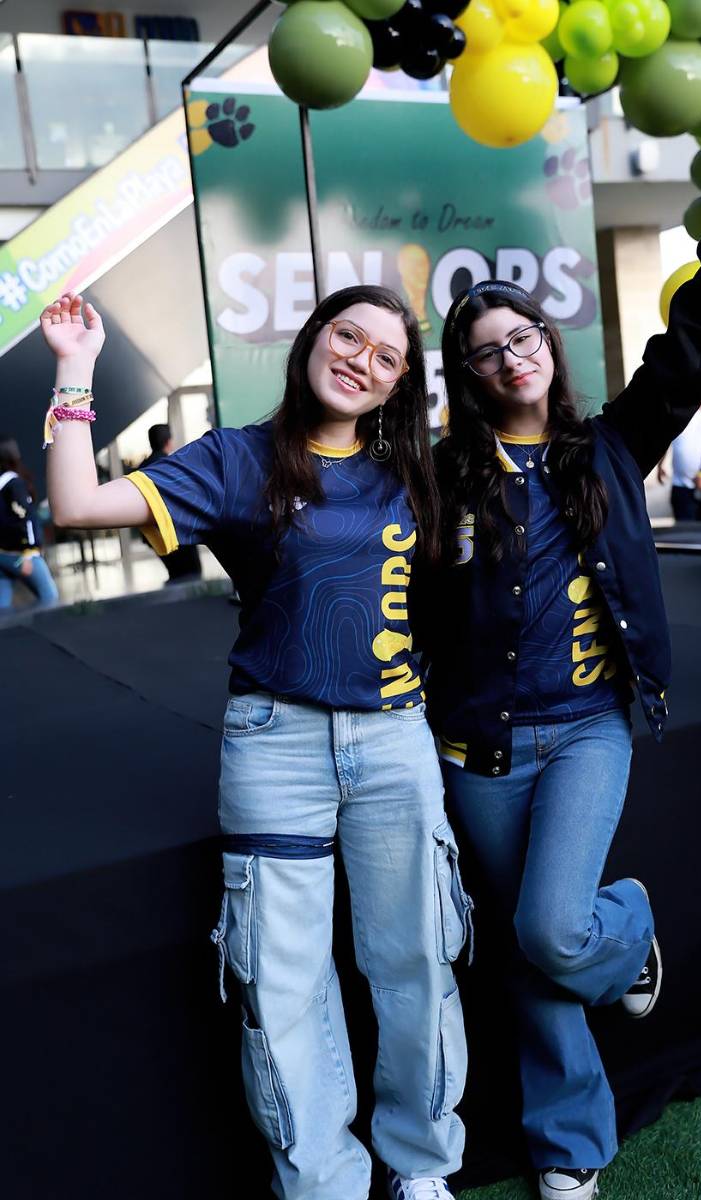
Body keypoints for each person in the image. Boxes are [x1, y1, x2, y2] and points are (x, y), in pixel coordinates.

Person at [39, 284, 471, 1200]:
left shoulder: (415, 474)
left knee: (416, 958)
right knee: (283, 984)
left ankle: (421, 1169)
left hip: (395, 742)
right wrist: (76, 369)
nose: (361, 359)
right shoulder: (237, 460)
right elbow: (75, 504)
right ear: (314, 339)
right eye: (347, 335)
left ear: (398, 385)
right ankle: (325, 1183)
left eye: (387, 356)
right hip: (276, 746)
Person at [415, 128, 701, 1200]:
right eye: (485, 347)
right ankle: (572, 1144)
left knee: (553, 926)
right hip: (475, 746)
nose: (510, 353)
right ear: (467, 376)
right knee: (528, 958)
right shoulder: (433, 478)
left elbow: (691, 351)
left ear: (546, 347)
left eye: (522, 335)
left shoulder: (608, 444)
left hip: (585, 728)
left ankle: (628, 927)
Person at [137, 423, 203, 582]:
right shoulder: (172, 464)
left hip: (153, 532)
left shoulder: (141, 468)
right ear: (168, 442)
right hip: (177, 531)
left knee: (175, 573)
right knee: (191, 574)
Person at [0, 435, 59, 610]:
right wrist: (29, 552)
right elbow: (25, 521)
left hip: (2, 556)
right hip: (21, 555)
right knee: (50, 598)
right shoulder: (14, 484)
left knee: (2, 608)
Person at [656, 390, 701, 520]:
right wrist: (660, 464)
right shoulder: (678, 411)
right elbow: (666, 438)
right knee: (684, 534)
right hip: (681, 487)